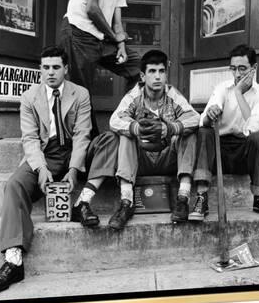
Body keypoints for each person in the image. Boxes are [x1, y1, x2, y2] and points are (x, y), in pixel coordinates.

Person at [0, 46, 93, 293]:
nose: (50, 73)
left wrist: (75, 169)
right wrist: (42, 169)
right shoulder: (29, 97)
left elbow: (82, 135)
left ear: (66, 69)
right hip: (44, 155)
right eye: (45, 67)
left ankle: (82, 203)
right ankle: (13, 260)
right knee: (14, 185)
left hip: (74, 153)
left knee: (98, 149)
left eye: (56, 67)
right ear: (40, 70)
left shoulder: (81, 94)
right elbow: (30, 139)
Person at [72, 50, 200, 230]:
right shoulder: (134, 96)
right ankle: (126, 202)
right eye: (152, 71)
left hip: (167, 158)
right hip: (141, 161)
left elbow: (195, 118)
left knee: (189, 132)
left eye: (161, 71)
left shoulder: (173, 95)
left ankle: (183, 199)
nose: (157, 77)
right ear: (142, 76)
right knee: (126, 132)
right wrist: (136, 128)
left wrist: (171, 128)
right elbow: (114, 120)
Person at [60, 0, 141, 134]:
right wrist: (114, 38)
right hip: (79, 33)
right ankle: (88, 144)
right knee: (81, 95)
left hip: (101, 40)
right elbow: (92, 9)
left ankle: (125, 116)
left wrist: (121, 46)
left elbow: (117, 25)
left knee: (139, 67)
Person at [189, 44, 259, 221]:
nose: (237, 74)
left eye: (242, 69)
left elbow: (253, 125)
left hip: (243, 155)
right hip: (218, 153)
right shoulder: (222, 88)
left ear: (254, 68)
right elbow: (203, 121)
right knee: (205, 131)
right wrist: (210, 114)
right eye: (233, 69)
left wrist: (238, 92)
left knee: (258, 137)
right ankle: (202, 198)